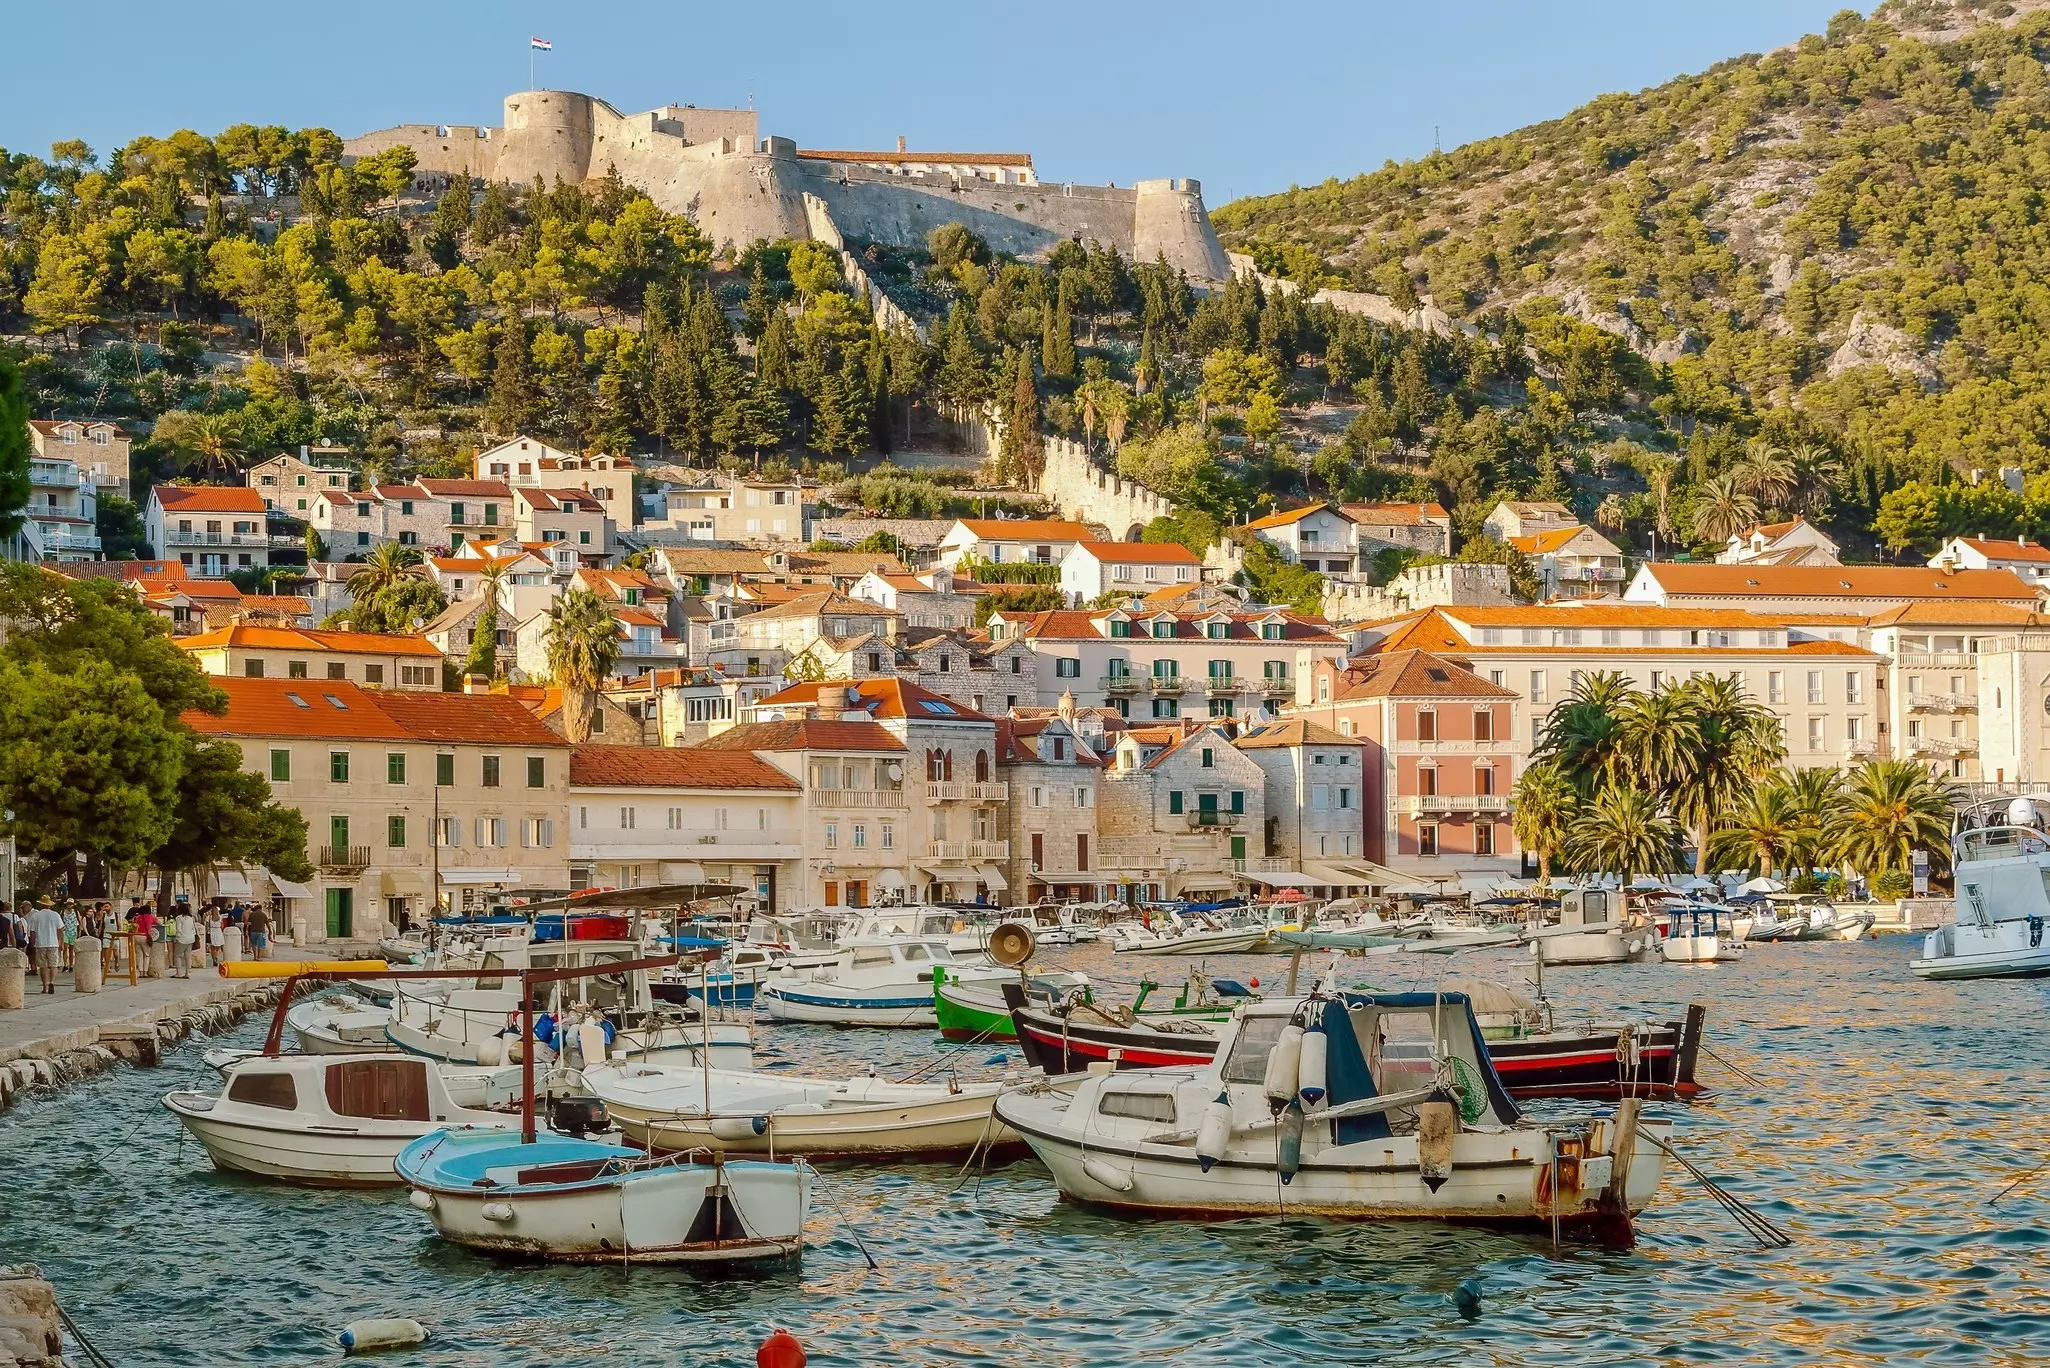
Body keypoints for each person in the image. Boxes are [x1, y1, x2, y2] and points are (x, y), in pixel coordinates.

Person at [27, 900, 65, 994]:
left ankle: (45, 986)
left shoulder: (36, 915)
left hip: (40, 943)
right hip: (53, 943)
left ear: (41, 904)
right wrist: (61, 942)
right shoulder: (55, 915)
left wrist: (32, 943)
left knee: (42, 966)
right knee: (53, 964)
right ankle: (52, 981)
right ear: (50, 905)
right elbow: (60, 929)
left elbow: (32, 932)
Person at [171, 904, 196, 979]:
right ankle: (187, 973)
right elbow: (193, 928)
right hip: (191, 938)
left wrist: (177, 937)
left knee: (177, 955)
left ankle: (178, 972)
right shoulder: (191, 918)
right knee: (188, 956)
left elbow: (179, 929)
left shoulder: (179, 918)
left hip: (182, 939)